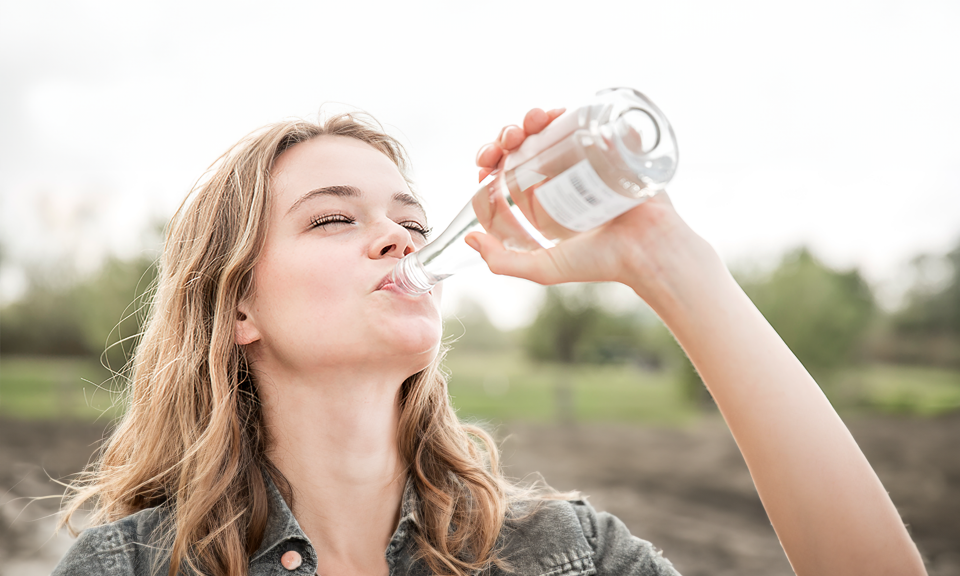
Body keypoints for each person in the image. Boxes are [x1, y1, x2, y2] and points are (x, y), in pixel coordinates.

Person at [53, 106, 927, 576]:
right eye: (332, 219)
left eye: (410, 219)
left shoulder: (563, 556)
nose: (399, 237)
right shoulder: (127, 569)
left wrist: (671, 263)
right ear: (238, 307)